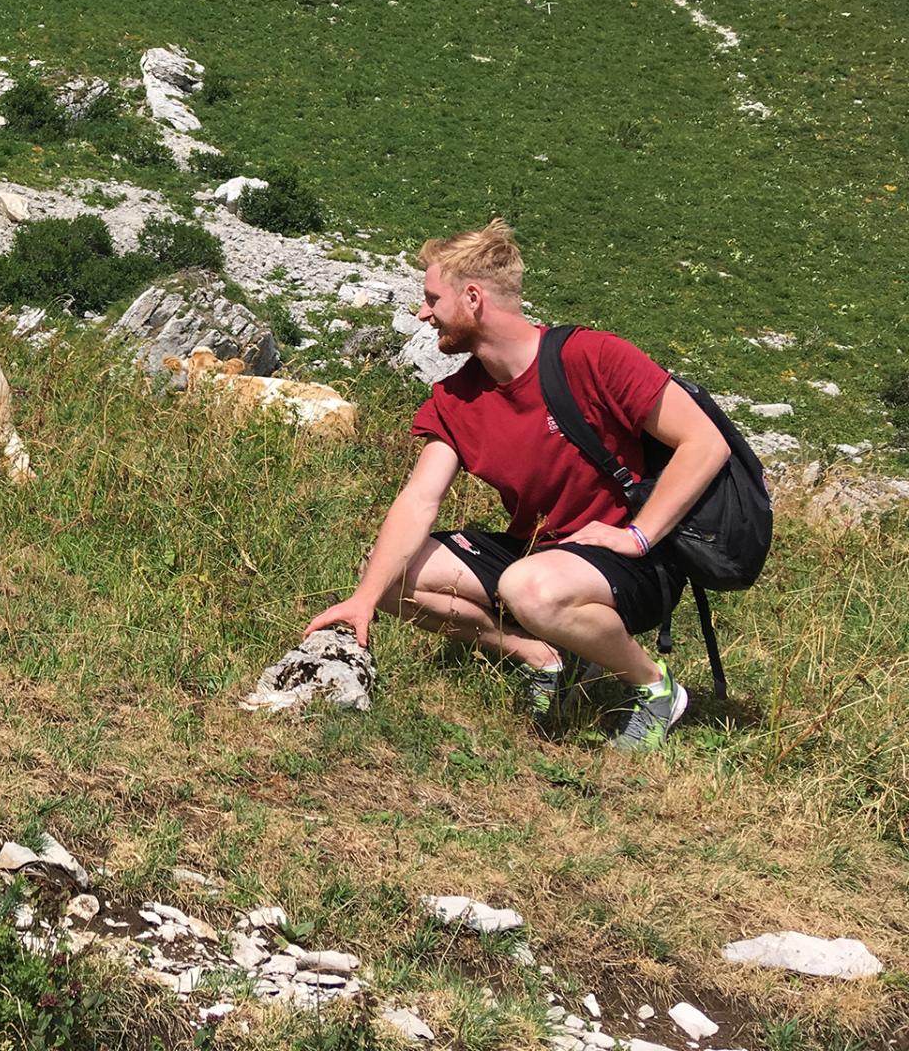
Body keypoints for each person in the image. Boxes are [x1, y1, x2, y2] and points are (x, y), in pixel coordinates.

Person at [305, 220, 730, 749]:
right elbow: (420, 499)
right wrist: (363, 601)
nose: (423, 313)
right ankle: (544, 655)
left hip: (631, 561)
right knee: (385, 573)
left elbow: (706, 444)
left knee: (527, 587)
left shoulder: (590, 358)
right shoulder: (456, 398)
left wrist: (639, 536)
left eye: (432, 298)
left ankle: (652, 685)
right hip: (541, 555)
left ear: (474, 298)